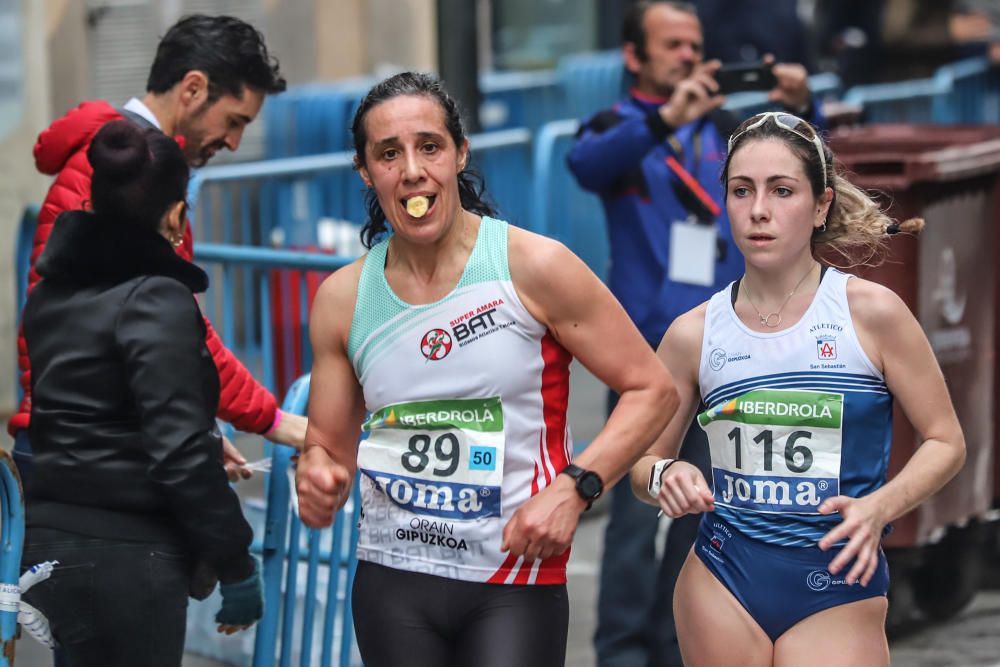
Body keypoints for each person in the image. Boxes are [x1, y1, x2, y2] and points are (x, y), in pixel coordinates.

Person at [293, 71, 678, 667]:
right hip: (394, 578)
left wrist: (575, 489)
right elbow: (328, 445)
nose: (413, 170)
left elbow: (652, 389)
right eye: (389, 154)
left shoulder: (533, 267)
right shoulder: (343, 298)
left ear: (459, 153)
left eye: (429, 146)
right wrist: (317, 478)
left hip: (513, 576)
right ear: (366, 172)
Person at [630, 111, 966, 666]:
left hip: (837, 577)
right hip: (721, 577)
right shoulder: (694, 332)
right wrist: (667, 474)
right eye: (742, 191)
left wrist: (881, 507)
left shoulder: (871, 313)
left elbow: (946, 441)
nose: (759, 209)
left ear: (820, 205)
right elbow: (642, 463)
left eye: (781, 191)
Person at [566, 3, 824, 665]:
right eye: (672, 45)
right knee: (632, 512)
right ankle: (621, 649)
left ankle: (672, 644)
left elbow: (800, 174)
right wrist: (666, 118)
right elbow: (587, 163)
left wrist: (805, 106)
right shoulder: (623, 126)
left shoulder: (722, 132)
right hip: (644, 358)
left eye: (695, 44)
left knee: (703, 507)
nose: (689, 55)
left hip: (724, 348)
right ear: (633, 56)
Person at [13, 13, 306, 491]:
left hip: (91, 449)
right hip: (85, 461)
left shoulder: (128, 166)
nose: (233, 143)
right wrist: (278, 422)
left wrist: (198, 427)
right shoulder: (114, 174)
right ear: (192, 88)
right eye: (234, 121)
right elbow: (176, 334)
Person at [20, 120, 264, 667]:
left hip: (53, 548)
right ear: (177, 214)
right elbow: (176, 453)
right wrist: (236, 563)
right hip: (130, 562)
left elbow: (94, 413)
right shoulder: (156, 299)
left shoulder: (50, 295)